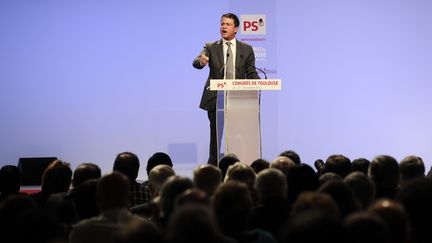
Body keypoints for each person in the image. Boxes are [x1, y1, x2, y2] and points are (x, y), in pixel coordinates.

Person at [193, 13, 260, 165]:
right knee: (216, 137)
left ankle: (240, 166)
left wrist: (259, 84)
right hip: (216, 99)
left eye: (227, 24)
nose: (223, 27)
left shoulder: (246, 49)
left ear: (236, 29)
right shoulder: (211, 47)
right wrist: (201, 62)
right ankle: (213, 167)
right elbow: (197, 62)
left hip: (238, 100)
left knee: (239, 137)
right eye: (222, 24)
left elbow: (251, 73)